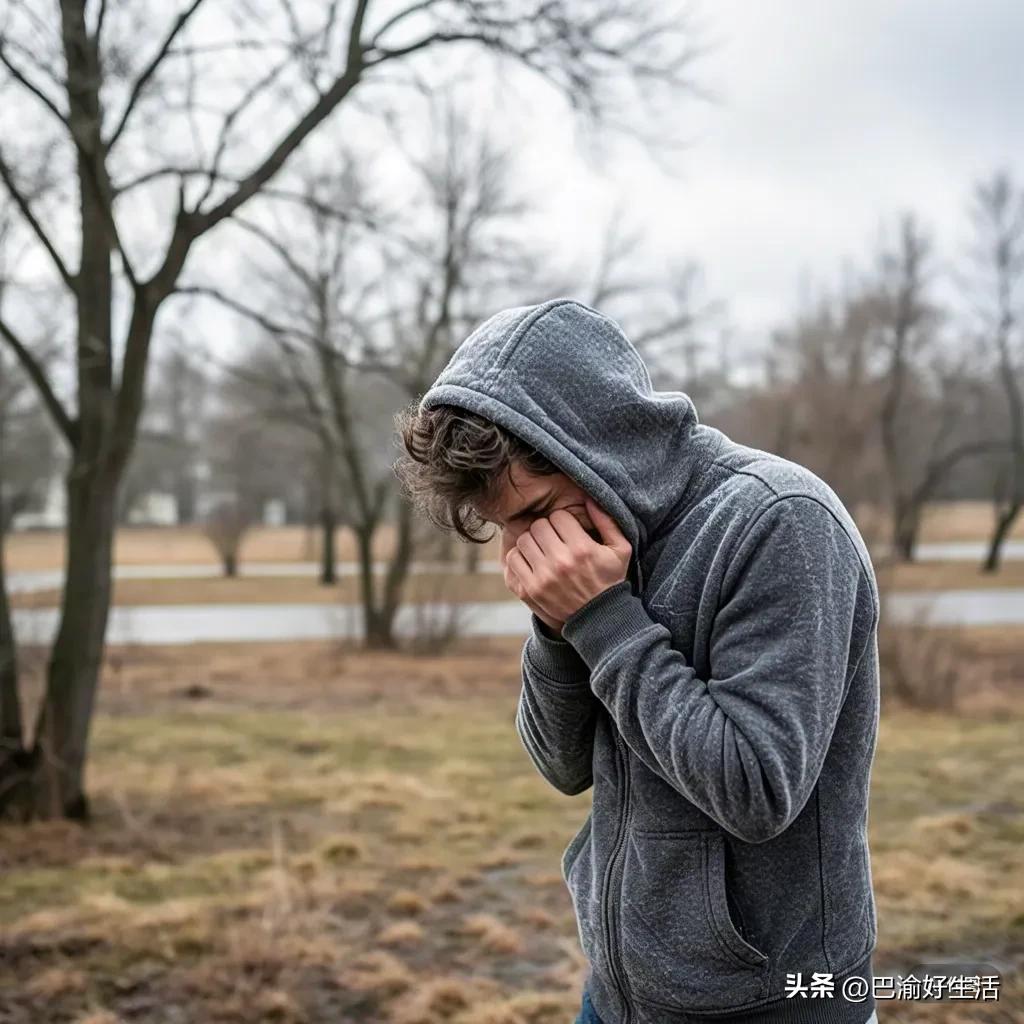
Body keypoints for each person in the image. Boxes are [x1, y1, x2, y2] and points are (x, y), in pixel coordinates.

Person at [394, 298, 881, 1024]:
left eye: (534, 512)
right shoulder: (596, 550)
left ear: (598, 450)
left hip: (772, 1007)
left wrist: (603, 618)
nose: (524, 550)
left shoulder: (780, 520)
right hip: (620, 994)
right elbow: (563, 766)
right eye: (507, 528)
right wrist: (562, 624)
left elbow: (757, 790)